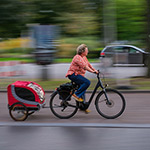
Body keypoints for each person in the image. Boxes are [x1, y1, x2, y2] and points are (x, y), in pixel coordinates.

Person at [66, 44, 98, 113]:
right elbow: (84, 67)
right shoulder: (77, 57)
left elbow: (88, 65)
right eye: (87, 50)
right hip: (73, 75)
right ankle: (77, 95)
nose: (88, 52)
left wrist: (95, 70)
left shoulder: (84, 57)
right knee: (87, 82)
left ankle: (82, 107)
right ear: (82, 51)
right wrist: (92, 72)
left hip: (78, 75)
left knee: (83, 88)